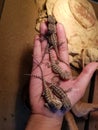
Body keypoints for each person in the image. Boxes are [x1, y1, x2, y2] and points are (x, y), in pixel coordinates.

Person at [25, 22, 98, 130]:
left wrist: (46, 116)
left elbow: (57, 92)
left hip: (52, 84)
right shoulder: (57, 91)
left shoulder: (56, 95)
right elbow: (57, 90)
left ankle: (75, 108)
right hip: (53, 77)